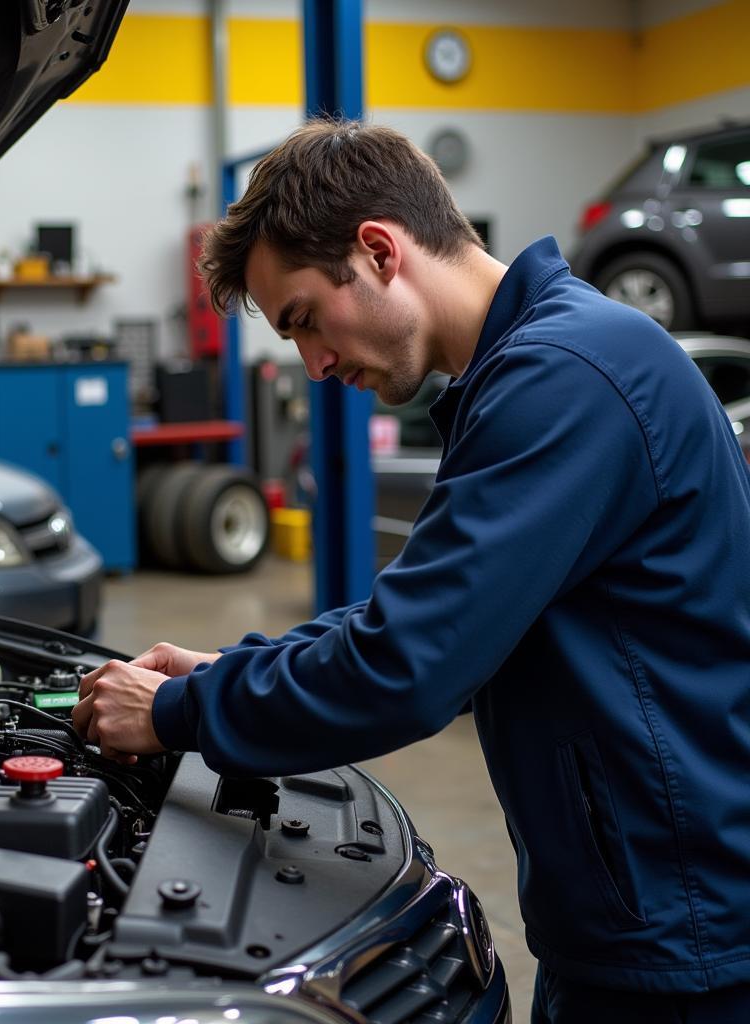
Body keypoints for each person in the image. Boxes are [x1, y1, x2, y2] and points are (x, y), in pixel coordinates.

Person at [72, 119, 750, 1022]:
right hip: (639, 912)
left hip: (684, 939)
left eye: (307, 319)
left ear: (381, 250)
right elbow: (427, 618)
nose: (313, 365)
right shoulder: (536, 368)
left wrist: (176, 713)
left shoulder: (565, 378)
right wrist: (230, 675)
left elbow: (409, 668)